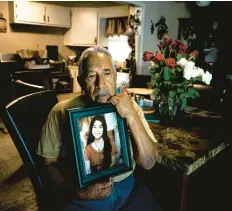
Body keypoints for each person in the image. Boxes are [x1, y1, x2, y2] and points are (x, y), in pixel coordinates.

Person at [37, 46, 161, 210]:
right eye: (91, 76)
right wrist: (77, 192)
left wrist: (131, 115)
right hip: (84, 198)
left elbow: (148, 163)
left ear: (116, 77)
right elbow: (46, 165)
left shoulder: (131, 108)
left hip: (129, 193)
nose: (101, 83)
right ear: (81, 81)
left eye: (107, 73)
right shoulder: (60, 111)